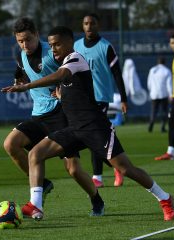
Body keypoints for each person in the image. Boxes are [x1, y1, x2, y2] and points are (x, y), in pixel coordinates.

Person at [2, 26, 174, 222]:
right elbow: (66, 84)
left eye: (58, 44)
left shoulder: (75, 58)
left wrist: (27, 86)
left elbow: (61, 75)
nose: (54, 49)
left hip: (96, 127)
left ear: (70, 43)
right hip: (74, 129)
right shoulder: (63, 64)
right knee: (36, 153)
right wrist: (61, 94)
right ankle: (36, 205)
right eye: (51, 45)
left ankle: (165, 198)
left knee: (126, 169)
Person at [3, 17, 104, 215]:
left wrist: (62, 89)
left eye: (28, 40)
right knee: (10, 144)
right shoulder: (22, 54)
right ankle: (43, 186)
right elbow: (23, 68)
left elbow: (68, 72)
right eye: (20, 41)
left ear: (37, 35)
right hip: (39, 116)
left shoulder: (51, 52)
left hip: (61, 115)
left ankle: (96, 199)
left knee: (73, 169)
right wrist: (19, 78)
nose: (25, 45)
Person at [74, 13, 127, 188]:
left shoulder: (106, 47)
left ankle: (97, 176)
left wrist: (123, 99)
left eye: (92, 23)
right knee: (97, 137)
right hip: (82, 99)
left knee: (94, 136)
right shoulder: (76, 46)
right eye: (86, 23)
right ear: (83, 26)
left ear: (98, 26)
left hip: (100, 98)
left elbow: (117, 73)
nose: (89, 26)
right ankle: (116, 166)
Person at [147, 56, 172, 133]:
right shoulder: (167, 71)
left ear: (158, 62)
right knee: (164, 111)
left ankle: (151, 124)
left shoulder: (152, 70)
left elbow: (149, 83)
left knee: (154, 111)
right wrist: (170, 94)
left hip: (154, 94)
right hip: (163, 94)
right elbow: (169, 84)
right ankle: (163, 127)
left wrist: (151, 91)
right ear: (164, 62)